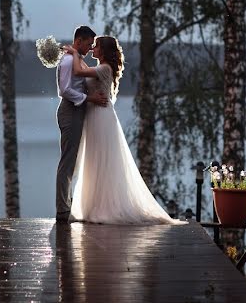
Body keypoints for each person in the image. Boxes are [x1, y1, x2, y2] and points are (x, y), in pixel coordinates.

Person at [63, 35, 184, 225]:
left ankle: (104, 207)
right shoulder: (101, 68)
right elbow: (85, 70)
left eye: (96, 47)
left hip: (101, 116)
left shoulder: (104, 68)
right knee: (94, 160)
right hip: (94, 115)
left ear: (103, 50)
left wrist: (75, 53)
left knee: (102, 160)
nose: (92, 49)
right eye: (92, 46)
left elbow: (78, 72)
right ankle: (94, 205)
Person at [55, 25, 108, 223]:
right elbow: (65, 90)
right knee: (67, 162)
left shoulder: (76, 58)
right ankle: (62, 210)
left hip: (76, 111)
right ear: (79, 41)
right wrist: (90, 99)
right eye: (88, 43)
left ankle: (66, 205)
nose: (90, 47)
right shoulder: (69, 61)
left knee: (72, 162)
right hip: (70, 111)